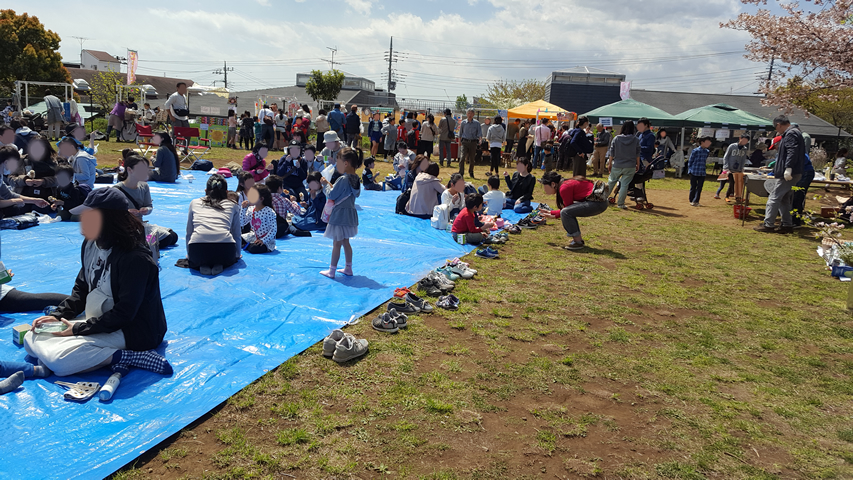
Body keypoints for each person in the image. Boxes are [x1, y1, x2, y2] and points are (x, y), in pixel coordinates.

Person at [24, 187, 171, 380]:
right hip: (98, 319)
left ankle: (130, 356)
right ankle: (94, 357)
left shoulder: (135, 259)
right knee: (31, 336)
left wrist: (77, 329)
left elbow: (125, 313)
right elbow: (81, 289)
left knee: (61, 360)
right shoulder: (90, 244)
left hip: (133, 329)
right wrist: (58, 316)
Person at [115, 151, 179, 249]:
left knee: (173, 236)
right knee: (167, 238)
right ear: (129, 170)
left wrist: (146, 210)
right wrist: (127, 213)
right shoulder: (116, 190)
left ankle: (143, 241)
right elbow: (112, 215)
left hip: (140, 225)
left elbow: (149, 206)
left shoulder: (144, 186)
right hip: (126, 228)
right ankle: (142, 242)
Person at [755, 115, 806, 234]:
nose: (777, 131)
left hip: (788, 172)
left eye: (776, 128)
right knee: (784, 199)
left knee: (774, 197)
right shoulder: (794, 132)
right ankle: (787, 225)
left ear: (779, 125)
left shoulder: (791, 134)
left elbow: (791, 151)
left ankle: (768, 224)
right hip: (792, 171)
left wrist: (788, 168)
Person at [185, 174, 241, 274]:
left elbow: (189, 231)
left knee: (202, 255)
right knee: (222, 256)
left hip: (197, 250)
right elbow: (236, 233)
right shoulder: (233, 205)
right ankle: (220, 263)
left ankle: (203, 263)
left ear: (205, 191)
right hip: (225, 250)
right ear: (226, 192)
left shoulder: (194, 202)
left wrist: (190, 254)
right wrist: (237, 254)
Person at [320, 148, 363, 279]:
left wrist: (325, 185)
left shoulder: (343, 179)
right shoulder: (355, 178)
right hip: (350, 215)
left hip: (339, 215)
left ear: (346, 163)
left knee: (336, 244)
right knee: (346, 242)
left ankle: (331, 271)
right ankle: (348, 268)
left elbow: (332, 195)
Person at [539, 171, 608, 250]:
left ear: (553, 184)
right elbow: (567, 207)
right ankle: (578, 240)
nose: (545, 190)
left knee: (565, 213)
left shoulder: (564, 187)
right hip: (600, 202)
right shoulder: (567, 182)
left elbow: (566, 210)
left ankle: (577, 242)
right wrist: (551, 212)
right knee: (565, 212)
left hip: (598, 204)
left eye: (545, 186)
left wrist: (553, 215)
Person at [8, 135, 57, 213]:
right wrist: (24, 180)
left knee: (41, 210)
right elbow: (10, 178)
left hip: (46, 199)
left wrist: (44, 181)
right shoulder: (22, 160)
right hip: (24, 198)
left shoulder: (55, 162)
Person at [0, 146, 50, 217]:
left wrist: (34, 201)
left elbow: (9, 195)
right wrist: (15, 201)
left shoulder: (0, 176)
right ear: (6, 162)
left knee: (14, 209)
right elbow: (11, 199)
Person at [606, 121, 641, 210]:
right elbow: (637, 154)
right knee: (625, 185)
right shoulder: (636, 139)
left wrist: (609, 163)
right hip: (630, 165)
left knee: (611, 182)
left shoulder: (616, 138)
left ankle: (602, 199)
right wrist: (638, 164)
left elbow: (612, 152)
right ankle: (621, 204)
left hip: (617, 164)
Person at [240, 184, 277, 254]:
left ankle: (247, 246)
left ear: (261, 199)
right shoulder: (251, 209)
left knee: (254, 248)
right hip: (254, 237)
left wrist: (263, 240)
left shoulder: (269, 211)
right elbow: (242, 223)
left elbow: (273, 230)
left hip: (266, 241)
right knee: (237, 238)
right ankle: (247, 245)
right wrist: (243, 209)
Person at [715, 135, 749, 202]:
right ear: (740, 138)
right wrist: (726, 167)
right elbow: (726, 156)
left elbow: (743, 159)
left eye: (746, 141)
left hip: (737, 169)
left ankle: (736, 197)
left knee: (735, 183)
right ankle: (723, 195)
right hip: (728, 169)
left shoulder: (744, 149)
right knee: (724, 182)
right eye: (744, 140)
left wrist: (742, 168)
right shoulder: (732, 146)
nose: (744, 142)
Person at [687, 136, 713, 207]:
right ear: (702, 142)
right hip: (694, 171)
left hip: (702, 172)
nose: (709, 143)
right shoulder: (695, 151)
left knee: (700, 187)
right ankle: (691, 200)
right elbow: (690, 161)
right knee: (693, 186)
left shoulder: (707, 152)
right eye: (707, 142)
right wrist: (690, 170)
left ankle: (696, 201)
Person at [458, 108, 481, 178]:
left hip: (473, 142)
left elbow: (479, 133)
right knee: (462, 158)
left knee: (472, 159)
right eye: (468, 113)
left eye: (471, 113)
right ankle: (461, 173)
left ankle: (471, 171)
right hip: (465, 142)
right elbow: (460, 133)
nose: (470, 115)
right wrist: (459, 141)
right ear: (466, 114)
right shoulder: (463, 123)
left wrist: (480, 140)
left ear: (473, 114)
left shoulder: (477, 123)